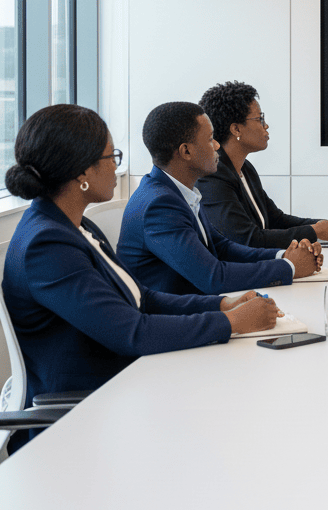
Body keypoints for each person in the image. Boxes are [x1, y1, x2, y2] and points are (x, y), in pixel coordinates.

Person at [1, 105, 280, 452]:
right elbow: (132, 333)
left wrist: (223, 304)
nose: (116, 167)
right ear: (82, 171)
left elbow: (140, 297)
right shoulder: (47, 245)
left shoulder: (74, 225)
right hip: (87, 414)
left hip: (128, 384)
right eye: (111, 157)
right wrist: (232, 322)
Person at [118, 102, 321, 295]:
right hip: (173, 314)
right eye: (210, 139)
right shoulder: (160, 205)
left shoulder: (178, 192)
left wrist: (283, 256)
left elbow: (222, 248)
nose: (216, 145)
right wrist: (289, 267)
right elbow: (213, 277)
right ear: (186, 151)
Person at [196, 81, 328, 248]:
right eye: (259, 119)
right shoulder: (212, 177)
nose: (266, 125)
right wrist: (316, 231)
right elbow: (247, 239)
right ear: (236, 129)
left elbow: (275, 220)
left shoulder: (245, 169)